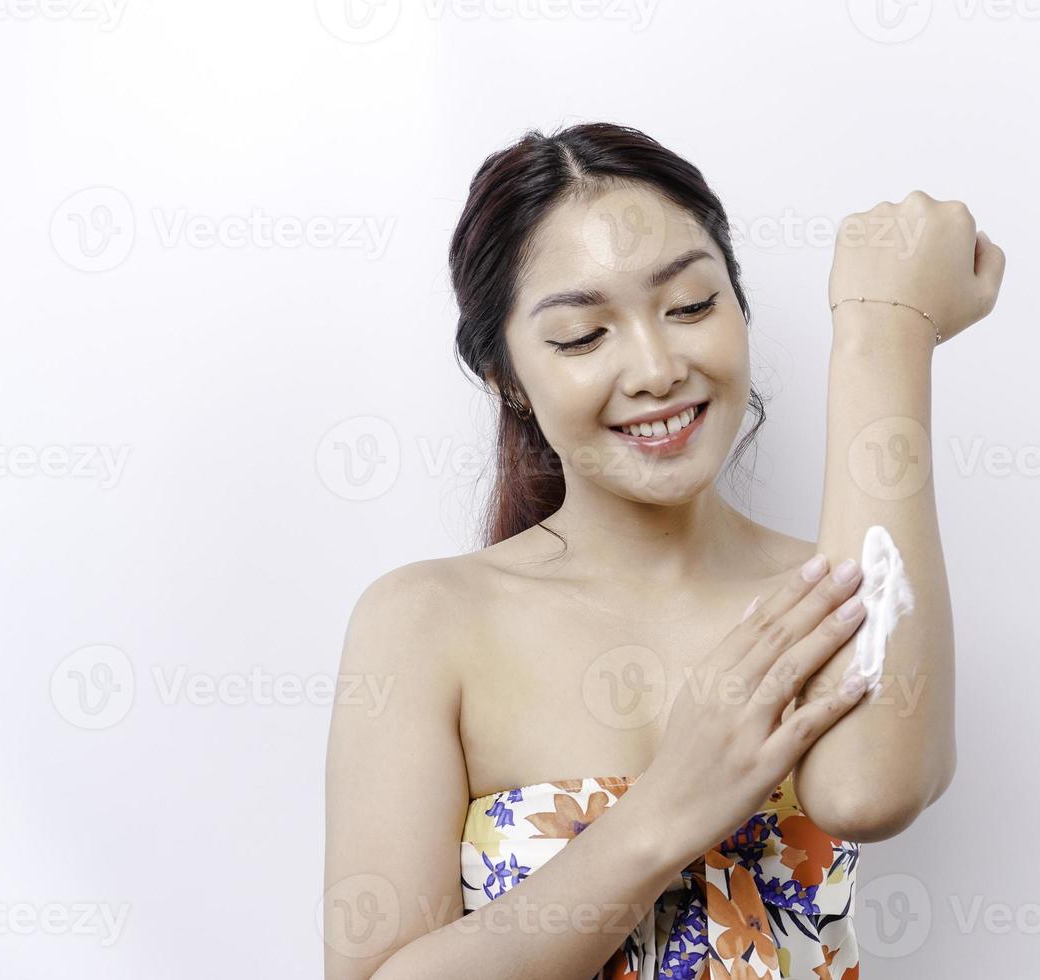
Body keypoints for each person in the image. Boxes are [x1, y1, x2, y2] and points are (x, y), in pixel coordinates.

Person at [324, 121, 1005, 979]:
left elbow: (869, 791)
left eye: (690, 306)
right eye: (581, 336)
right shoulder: (424, 621)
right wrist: (669, 809)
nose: (654, 368)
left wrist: (883, 326)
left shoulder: (827, 588)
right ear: (506, 379)